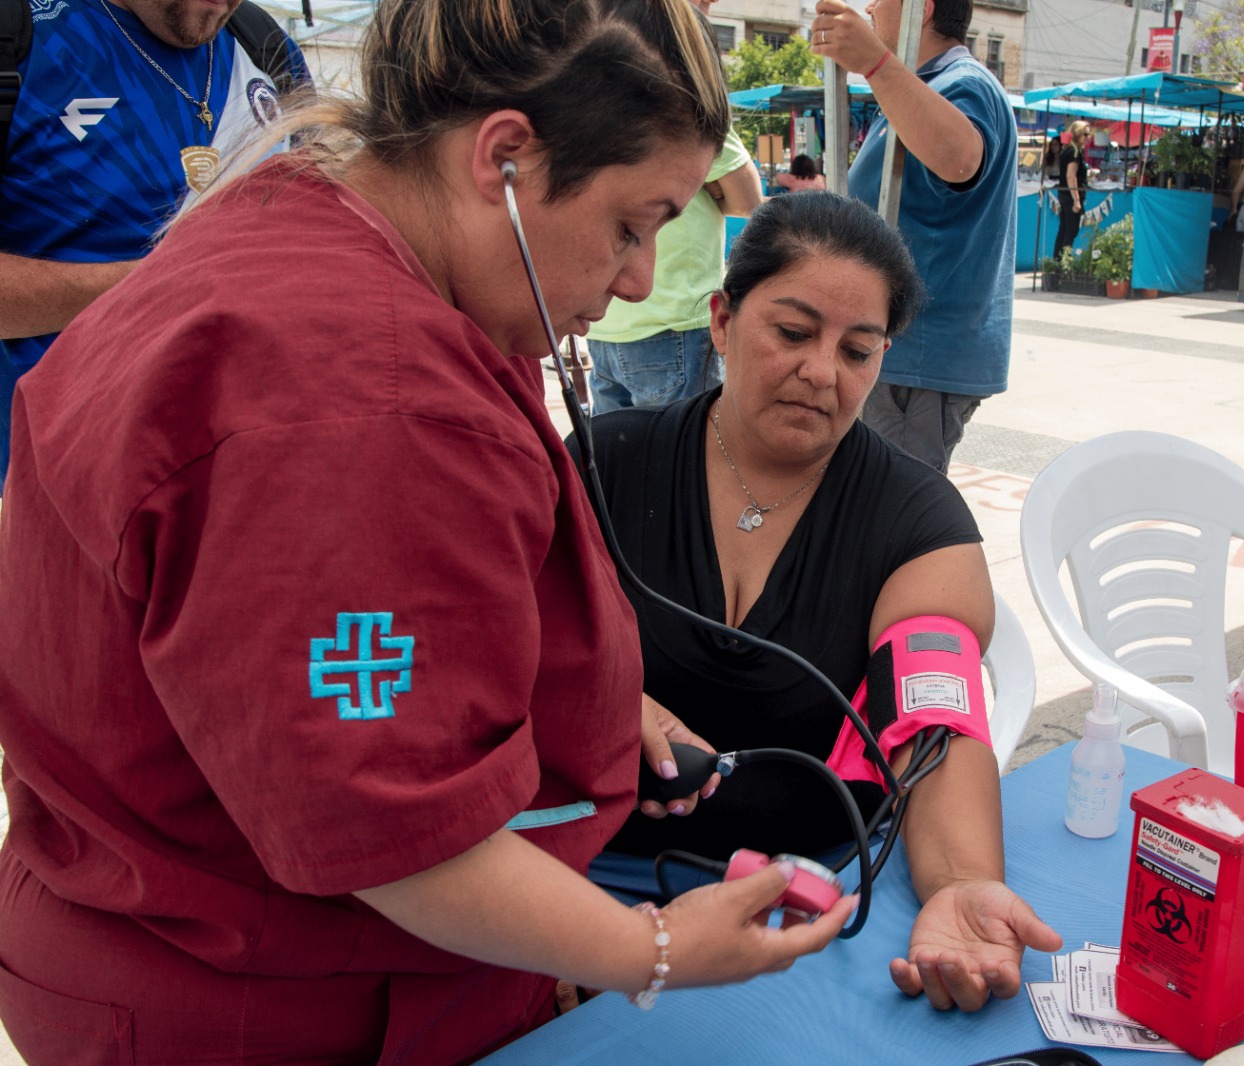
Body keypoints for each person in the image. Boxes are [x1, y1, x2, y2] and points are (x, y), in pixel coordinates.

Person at [0, 1, 855, 1061]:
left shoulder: (303, 222)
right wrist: (654, 948)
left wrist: (593, 702)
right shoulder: (363, 401)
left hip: (145, 925)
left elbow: (288, 642)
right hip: (274, 1004)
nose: (638, 278)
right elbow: (386, 834)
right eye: (630, 227)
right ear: (502, 157)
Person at [583, 191, 1062, 1011]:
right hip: (585, 889)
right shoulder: (603, 465)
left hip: (805, 905)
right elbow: (489, 662)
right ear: (723, 321)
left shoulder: (919, 522)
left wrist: (961, 882)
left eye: (857, 350)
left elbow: (933, 722)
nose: (822, 373)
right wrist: (594, 700)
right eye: (794, 333)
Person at [0, 0, 308, 492]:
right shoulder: (28, 32)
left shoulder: (264, 46)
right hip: (54, 481)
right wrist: (162, 284)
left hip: (237, 471)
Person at [809, 0, 1016, 474]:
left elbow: (960, 159)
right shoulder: (917, 86)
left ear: (922, 8)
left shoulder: (963, 83)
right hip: (894, 352)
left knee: (890, 504)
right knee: (869, 498)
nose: (869, 7)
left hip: (915, 358)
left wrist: (876, 63)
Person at [585, 0, 763, 414]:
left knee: (616, 450)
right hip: (675, 320)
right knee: (684, 450)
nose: (706, 9)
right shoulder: (688, 94)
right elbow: (748, 201)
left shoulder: (593, 85)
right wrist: (711, 187)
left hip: (603, 319)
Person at [1052, 120, 1090, 263]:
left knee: (1064, 229)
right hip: (1070, 196)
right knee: (1070, 231)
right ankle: (1064, 263)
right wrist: (1076, 200)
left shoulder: (1067, 150)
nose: (1087, 138)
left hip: (1064, 194)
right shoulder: (1074, 152)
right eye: (1085, 134)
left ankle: (1057, 262)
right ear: (1078, 134)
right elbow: (1070, 176)